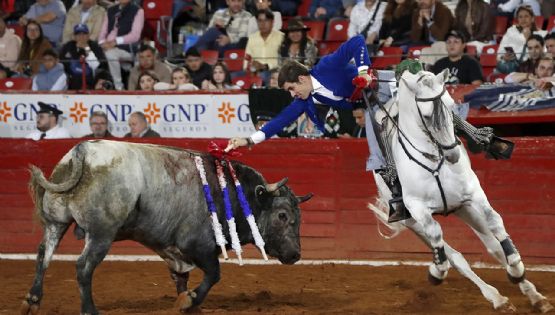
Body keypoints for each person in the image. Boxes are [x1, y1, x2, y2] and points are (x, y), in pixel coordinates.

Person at [98, 0, 144, 90]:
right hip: (106, 47)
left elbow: (135, 36)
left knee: (111, 54)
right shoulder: (110, 10)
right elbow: (103, 32)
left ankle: (119, 87)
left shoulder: (138, 11)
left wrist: (115, 42)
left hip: (126, 49)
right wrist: (102, 43)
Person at [496, 5, 546, 74]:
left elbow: (543, 54)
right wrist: (504, 57)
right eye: (520, 17)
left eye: (526, 16)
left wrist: (528, 38)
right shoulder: (511, 31)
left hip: (531, 67)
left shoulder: (542, 34)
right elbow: (500, 52)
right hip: (511, 66)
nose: (523, 19)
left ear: (532, 19)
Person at [60, 23, 108, 90]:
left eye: (84, 34)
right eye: (78, 34)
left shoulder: (94, 46)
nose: (81, 36)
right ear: (74, 36)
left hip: (91, 76)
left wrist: (87, 48)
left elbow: (98, 66)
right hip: (72, 77)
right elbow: (62, 62)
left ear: (88, 35)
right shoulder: (68, 46)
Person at [244, 9, 283, 83]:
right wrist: (249, 68)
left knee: (263, 76)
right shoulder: (252, 38)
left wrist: (265, 66)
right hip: (253, 70)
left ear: (272, 22)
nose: (263, 24)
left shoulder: (281, 37)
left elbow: (282, 60)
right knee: (233, 76)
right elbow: (247, 57)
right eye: (260, 21)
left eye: (266, 20)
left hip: (273, 71)